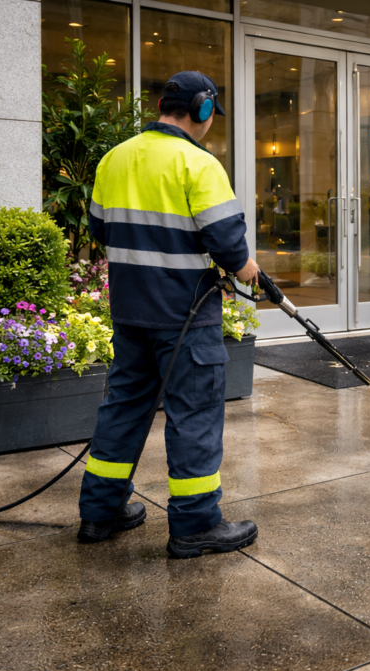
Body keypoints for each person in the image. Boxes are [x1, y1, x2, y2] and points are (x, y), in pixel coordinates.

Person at [77, 71, 259, 559]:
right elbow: (226, 242)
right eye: (210, 115)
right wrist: (247, 268)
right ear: (202, 110)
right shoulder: (197, 163)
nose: (209, 125)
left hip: (131, 313)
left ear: (162, 105)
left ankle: (99, 513)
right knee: (194, 416)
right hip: (185, 315)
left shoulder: (114, 158)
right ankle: (197, 525)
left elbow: (100, 228)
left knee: (124, 408)